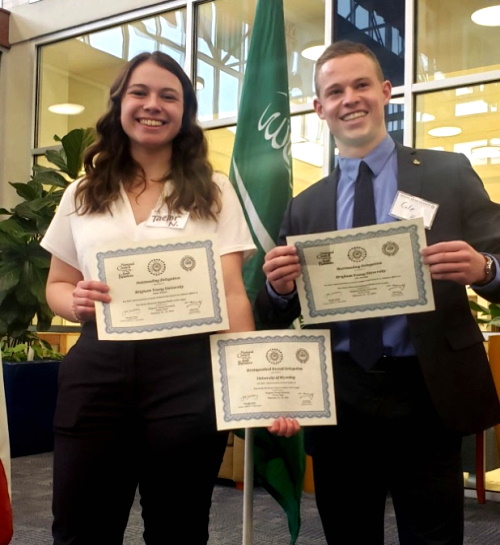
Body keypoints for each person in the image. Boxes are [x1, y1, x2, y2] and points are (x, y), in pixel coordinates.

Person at [41, 51, 297, 545]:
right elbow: (56, 284)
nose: (152, 105)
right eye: (140, 92)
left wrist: (254, 385)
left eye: (168, 95)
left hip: (187, 376)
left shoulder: (213, 192)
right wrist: (72, 301)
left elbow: (231, 296)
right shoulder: (81, 193)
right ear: (119, 103)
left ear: (185, 112)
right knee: (80, 527)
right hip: (97, 373)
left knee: (177, 528)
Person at [255, 40, 500, 545]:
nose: (351, 98)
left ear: (385, 91)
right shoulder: (306, 207)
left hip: (427, 389)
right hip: (342, 395)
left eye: (361, 84)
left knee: (434, 536)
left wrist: (484, 267)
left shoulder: (446, 172)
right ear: (318, 108)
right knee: (348, 533)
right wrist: (278, 291)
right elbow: (276, 312)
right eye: (335, 90)